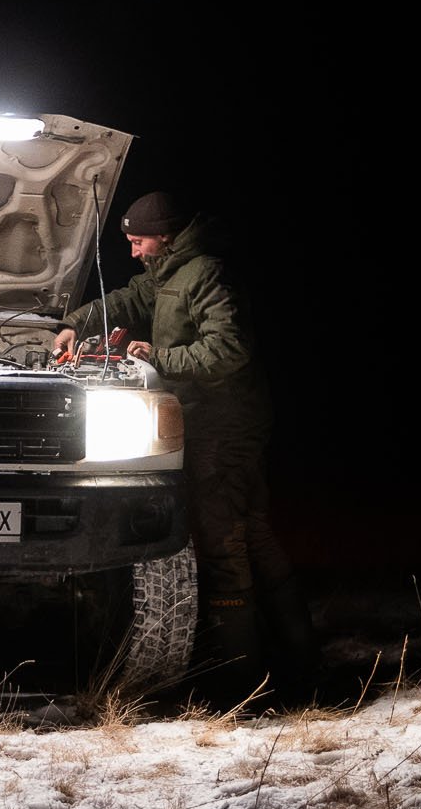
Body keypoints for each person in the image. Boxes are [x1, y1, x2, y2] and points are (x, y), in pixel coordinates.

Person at [53, 189, 317, 710]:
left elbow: (230, 348)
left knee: (224, 547)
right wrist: (75, 323)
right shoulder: (172, 271)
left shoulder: (206, 273)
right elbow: (131, 298)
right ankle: (301, 667)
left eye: (138, 241)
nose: (133, 251)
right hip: (219, 425)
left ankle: (238, 687)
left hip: (223, 430)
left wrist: (162, 356)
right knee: (256, 537)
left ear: (166, 236)